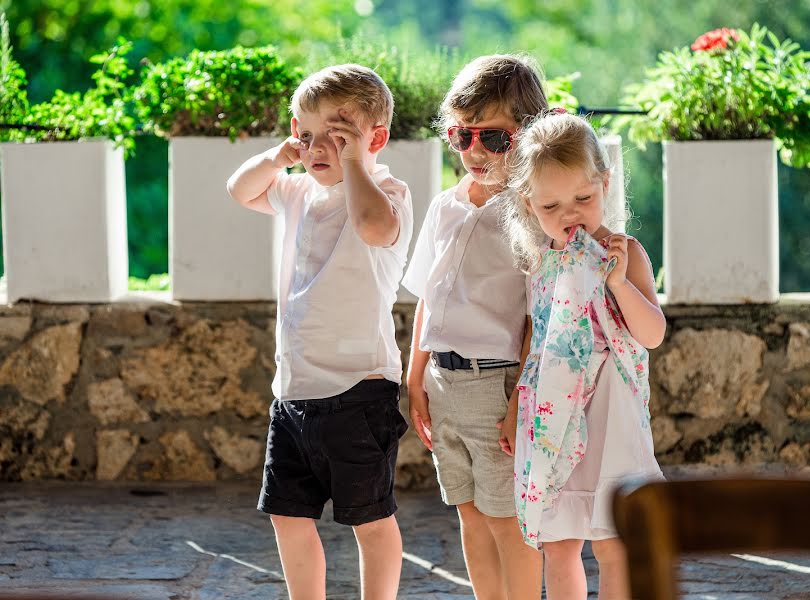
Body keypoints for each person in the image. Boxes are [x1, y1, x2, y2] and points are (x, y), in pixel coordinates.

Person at [226, 64, 412, 600]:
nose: (318, 147)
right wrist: (277, 157)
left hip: (358, 389)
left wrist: (354, 163)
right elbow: (240, 190)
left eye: (338, 134)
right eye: (307, 135)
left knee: (370, 519)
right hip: (293, 391)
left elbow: (374, 228)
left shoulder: (387, 193)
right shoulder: (297, 192)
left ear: (374, 138)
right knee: (287, 514)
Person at [503, 111, 666, 600]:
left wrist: (617, 283)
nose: (570, 214)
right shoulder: (541, 264)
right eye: (552, 205)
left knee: (613, 541)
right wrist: (515, 406)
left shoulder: (624, 252)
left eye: (584, 198)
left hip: (609, 413)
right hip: (555, 415)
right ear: (529, 204)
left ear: (605, 184)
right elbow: (538, 340)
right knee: (558, 540)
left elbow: (652, 334)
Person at [401, 54, 547, 600]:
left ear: (528, 135)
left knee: (507, 520)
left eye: (494, 137)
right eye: (461, 136)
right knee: (468, 513)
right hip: (442, 381)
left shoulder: (533, 216)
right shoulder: (444, 207)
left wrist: (518, 403)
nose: (475, 151)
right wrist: (415, 375)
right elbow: (428, 298)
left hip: (497, 385)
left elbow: (537, 321)